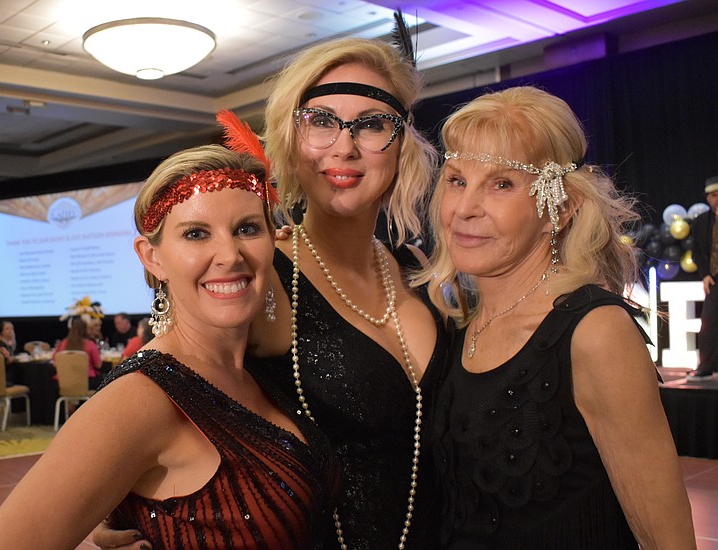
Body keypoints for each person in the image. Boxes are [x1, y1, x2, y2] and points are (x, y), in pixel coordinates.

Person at [95, 35, 446, 550]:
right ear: (290, 138)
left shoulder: (416, 272)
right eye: (322, 122)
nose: (344, 146)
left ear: (400, 144)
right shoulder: (258, 278)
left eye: (372, 124)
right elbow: (156, 387)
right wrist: (127, 504)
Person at [0, 143, 337, 549]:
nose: (229, 255)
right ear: (152, 257)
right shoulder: (140, 399)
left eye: (247, 229)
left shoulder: (260, 370)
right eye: (196, 234)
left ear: (273, 239)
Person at [417, 86, 694, 547]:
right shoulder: (459, 325)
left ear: (560, 210)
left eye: (501, 184)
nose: (464, 209)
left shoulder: (595, 331)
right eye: (457, 180)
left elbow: (666, 535)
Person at [687, 175, 718, 381]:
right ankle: (706, 366)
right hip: (714, 277)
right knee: (709, 322)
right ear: (708, 198)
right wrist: (705, 274)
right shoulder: (701, 222)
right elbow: (697, 251)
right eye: (714, 195)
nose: (717, 199)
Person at [54, 317, 104, 389]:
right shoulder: (90, 345)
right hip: (86, 381)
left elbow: (55, 363)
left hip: (64, 382)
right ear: (86, 330)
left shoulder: (62, 344)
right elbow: (98, 365)